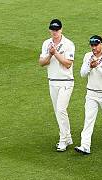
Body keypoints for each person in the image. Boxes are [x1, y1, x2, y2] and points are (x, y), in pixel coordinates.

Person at [74, 35, 102, 154]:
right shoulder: (87, 56)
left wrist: (97, 66)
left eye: (96, 45)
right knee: (88, 119)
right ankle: (85, 146)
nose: (93, 47)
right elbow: (82, 74)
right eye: (92, 45)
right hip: (91, 93)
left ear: (101, 44)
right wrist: (89, 66)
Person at [38, 19, 75, 152]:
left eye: (57, 29)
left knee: (61, 109)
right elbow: (42, 62)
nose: (55, 32)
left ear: (61, 29)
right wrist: (49, 53)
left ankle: (63, 140)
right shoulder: (46, 43)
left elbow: (68, 63)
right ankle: (68, 136)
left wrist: (55, 53)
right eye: (53, 29)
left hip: (66, 81)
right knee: (58, 111)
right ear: (50, 30)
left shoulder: (68, 44)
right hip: (52, 81)